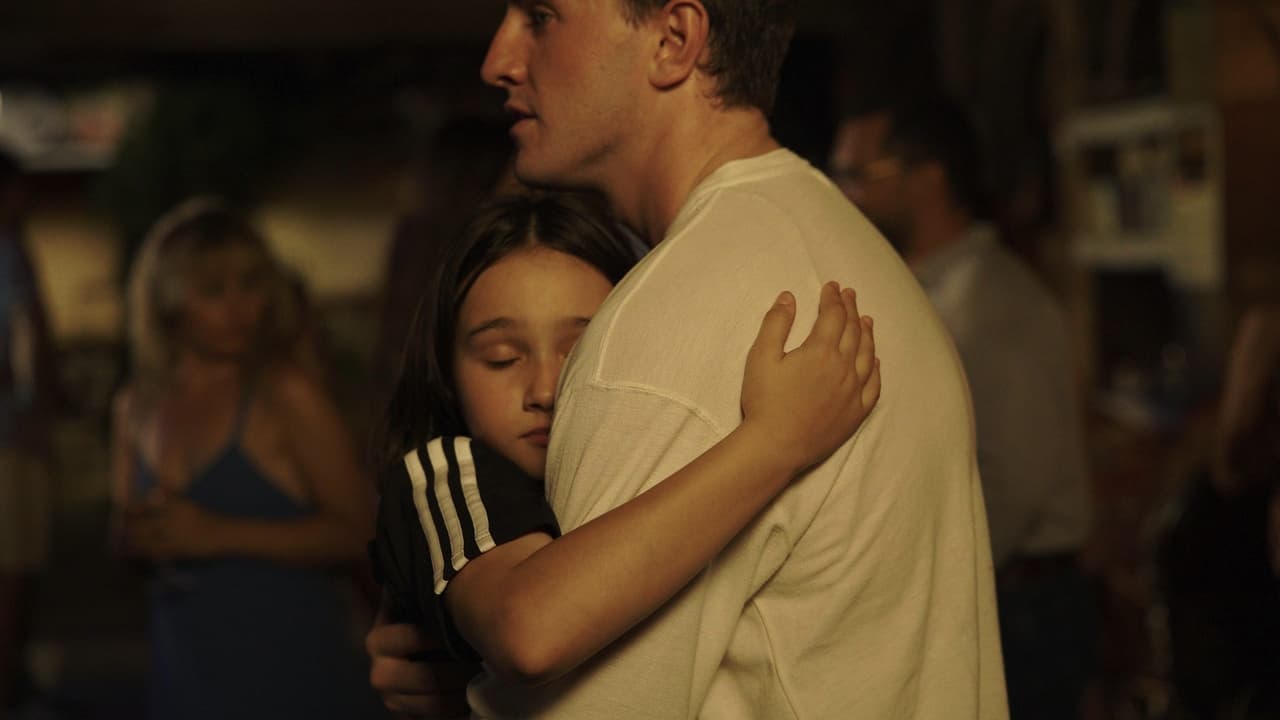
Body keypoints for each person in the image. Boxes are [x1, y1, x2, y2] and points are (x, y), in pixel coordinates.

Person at [370, 3, 1007, 717]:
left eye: (542, 17)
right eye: (499, 354)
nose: (498, 60)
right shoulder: (838, 244)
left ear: (674, 41)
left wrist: (461, 703)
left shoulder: (673, 316)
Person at [371, 191, 878, 697]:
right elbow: (528, 633)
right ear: (446, 376)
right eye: (502, 357)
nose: (544, 390)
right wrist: (775, 440)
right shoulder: (444, 471)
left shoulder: (648, 454)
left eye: (582, 351)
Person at [830, 96, 1092, 719]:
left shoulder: (992, 303)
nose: (841, 196)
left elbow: (1012, 483)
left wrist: (904, 597)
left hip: (1017, 606)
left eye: (858, 176)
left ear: (929, 178)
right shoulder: (918, 288)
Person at [109, 198, 385, 719]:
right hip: (183, 671)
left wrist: (216, 534)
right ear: (166, 303)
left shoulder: (285, 393)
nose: (241, 308)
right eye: (214, 291)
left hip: (287, 673)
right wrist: (135, 539)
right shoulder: (135, 407)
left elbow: (360, 534)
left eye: (252, 284)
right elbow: (124, 534)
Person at [0, 148, 59, 714]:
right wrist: (39, 400)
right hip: (10, 436)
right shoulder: (9, 252)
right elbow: (28, 341)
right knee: (13, 572)